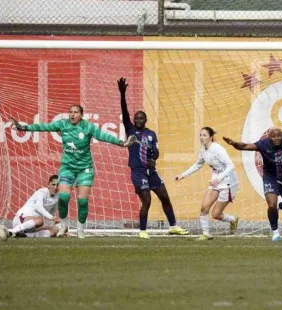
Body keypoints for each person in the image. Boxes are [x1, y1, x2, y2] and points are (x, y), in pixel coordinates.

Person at [11, 104, 136, 238]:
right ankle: (63, 224)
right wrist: (24, 127)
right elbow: (43, 127)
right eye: (70, 112)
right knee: (64, 197)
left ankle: (80, 229)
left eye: (76, 112)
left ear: (81, 115)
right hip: (67, 167)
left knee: (82, 200)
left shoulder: (88, 127)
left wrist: (122, 143)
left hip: (85, 168)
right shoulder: (63, 124)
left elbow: (103, 136)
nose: (72, 114)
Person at [118, 77, 188, 239]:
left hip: (152, 171)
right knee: (147, 200)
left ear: (146, 120)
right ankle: (142, 231)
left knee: (165, 197)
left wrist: (154, 159)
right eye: (136, 118)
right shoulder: (131, 130)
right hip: (138, 172)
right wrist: (122, 94)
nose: (138, 120)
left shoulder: (151, 134)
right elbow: (124, 111)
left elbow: (156, 152)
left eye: (141, 118)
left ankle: (173, 226)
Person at [176, 127, 240, 240]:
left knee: (215, 214)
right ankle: (206, 234)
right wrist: (182, 175)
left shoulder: (217, 149)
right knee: (204, 207)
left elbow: (231, 166)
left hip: (228, 182)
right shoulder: (203, 150)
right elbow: (198, 164)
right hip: (216, 180)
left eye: (204, 135)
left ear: (211, 137)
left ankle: (233, 219)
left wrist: (219, 178)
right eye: (200, 135)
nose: (201, 137)